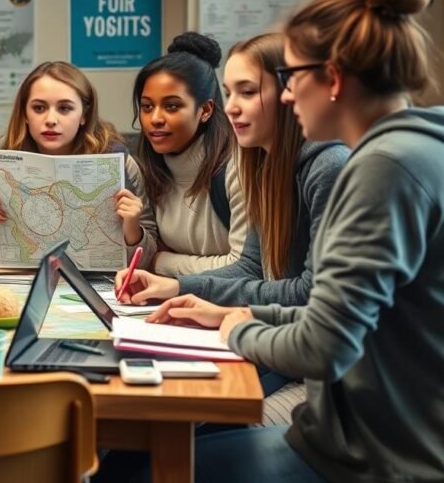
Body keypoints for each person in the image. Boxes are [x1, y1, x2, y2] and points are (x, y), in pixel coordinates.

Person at [142, 0, 444, 482]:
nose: (285, 94)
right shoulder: (408, 149)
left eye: (289, 78)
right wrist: (234, 312)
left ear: (333, 79)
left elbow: (323, 343)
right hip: (368, 433)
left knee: (153, 467)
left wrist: (238, 328)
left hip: (378, 455)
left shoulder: (381, 168)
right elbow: (336, 314)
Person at [116, 34, 349, 308]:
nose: (231, 108)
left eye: (247, 92)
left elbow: (312, 294)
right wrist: (176, 286)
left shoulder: (329, 167)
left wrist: (239, 318)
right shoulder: (262, 163)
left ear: (290, 93)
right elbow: (250, 267)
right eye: (228, 94)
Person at [0, 61, 158, 267]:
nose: (51, 119)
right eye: (39, 108)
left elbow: (147, 259)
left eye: (65, 108)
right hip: (25, 280)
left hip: (102, 281)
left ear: (84, 115)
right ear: (25, 114)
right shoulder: (4, 166)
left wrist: (132, 229)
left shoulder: (119, 162)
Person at [131, 32, 246, 276]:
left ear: (205, 110)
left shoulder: (236, 169)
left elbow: (245, 267)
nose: (155, 118)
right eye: (147, 106)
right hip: (175, 296)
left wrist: (162, 262)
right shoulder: (151, 171)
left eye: (172, 106)